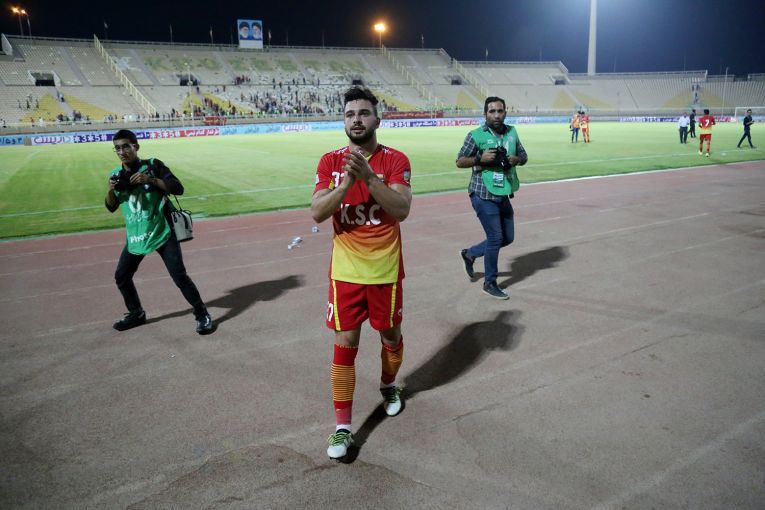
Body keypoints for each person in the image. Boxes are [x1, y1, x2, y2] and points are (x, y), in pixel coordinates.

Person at [311, 87, 412, 459]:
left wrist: (369, 178)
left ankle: (388, 385)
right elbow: (317, 212)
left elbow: (401, 209)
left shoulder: (395, 159)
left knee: (391, 336)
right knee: (345, 346)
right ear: (344, 120)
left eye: (364, 113)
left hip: (385, 271)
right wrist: (345, 185)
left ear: (377, 119)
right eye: (350, 113)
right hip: (346, 273)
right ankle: (343, 429)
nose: (356, 119)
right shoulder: (330, 162)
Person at [105, 129, 213, 334]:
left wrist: (150, 180)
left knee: (179, 276)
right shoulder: (116, 175)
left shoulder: (153, 165)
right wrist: (110, 189)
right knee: (122, 276)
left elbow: (178, 188)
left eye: (126, 146)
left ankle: (202, 314)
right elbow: (111, 206)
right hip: (137, 235)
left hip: (162, 231)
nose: (122, 151)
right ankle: (136, 313)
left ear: (136, 147)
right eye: (117, 148)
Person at [456, 96, 529, 300]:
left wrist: (517, 159)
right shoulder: (475, 135)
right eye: (492, 111)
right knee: (496, 238)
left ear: (505, 112)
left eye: (500, 111)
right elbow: (460, 161)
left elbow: (524, 156)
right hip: (482, 192)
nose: (496, 115)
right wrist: (479, 159)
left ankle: (470, 253)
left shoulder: (512, 132)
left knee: (507, 237)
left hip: (503, 191)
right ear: (485, 114)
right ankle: (490, 283)